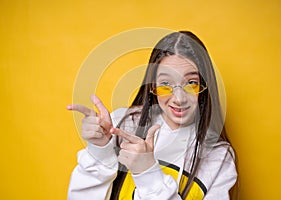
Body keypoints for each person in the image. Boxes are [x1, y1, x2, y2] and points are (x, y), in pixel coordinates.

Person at [67, 31, 238, 199]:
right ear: (152, 87)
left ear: (205, 85)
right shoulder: (122, 125)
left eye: (191, 83)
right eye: (165, 84)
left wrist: (148, 173)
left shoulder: (218, 156)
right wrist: (99, 150)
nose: (179, 99)